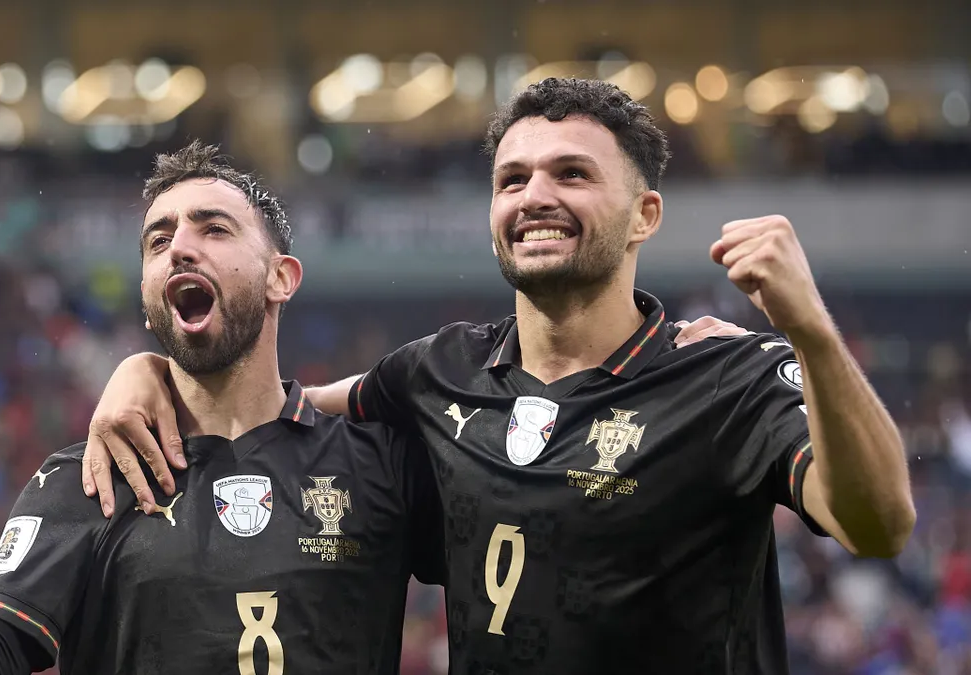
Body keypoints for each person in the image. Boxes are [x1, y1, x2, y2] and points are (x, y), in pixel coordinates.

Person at [83, 78, 916, 674]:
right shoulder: (439, 369)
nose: (535, 196)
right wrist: (147, 368)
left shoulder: (725, 375)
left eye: (572, 174)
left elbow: (878, 524)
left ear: (645, 216)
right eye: (512, 179)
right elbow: (276, 407)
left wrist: (812, 333)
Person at [0, 141, 444, 675]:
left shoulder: (379, 463)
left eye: (215, 229)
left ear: (281, 278)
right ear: (149, 304)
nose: (180, 248)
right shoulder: (87, 481)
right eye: (158, 240)